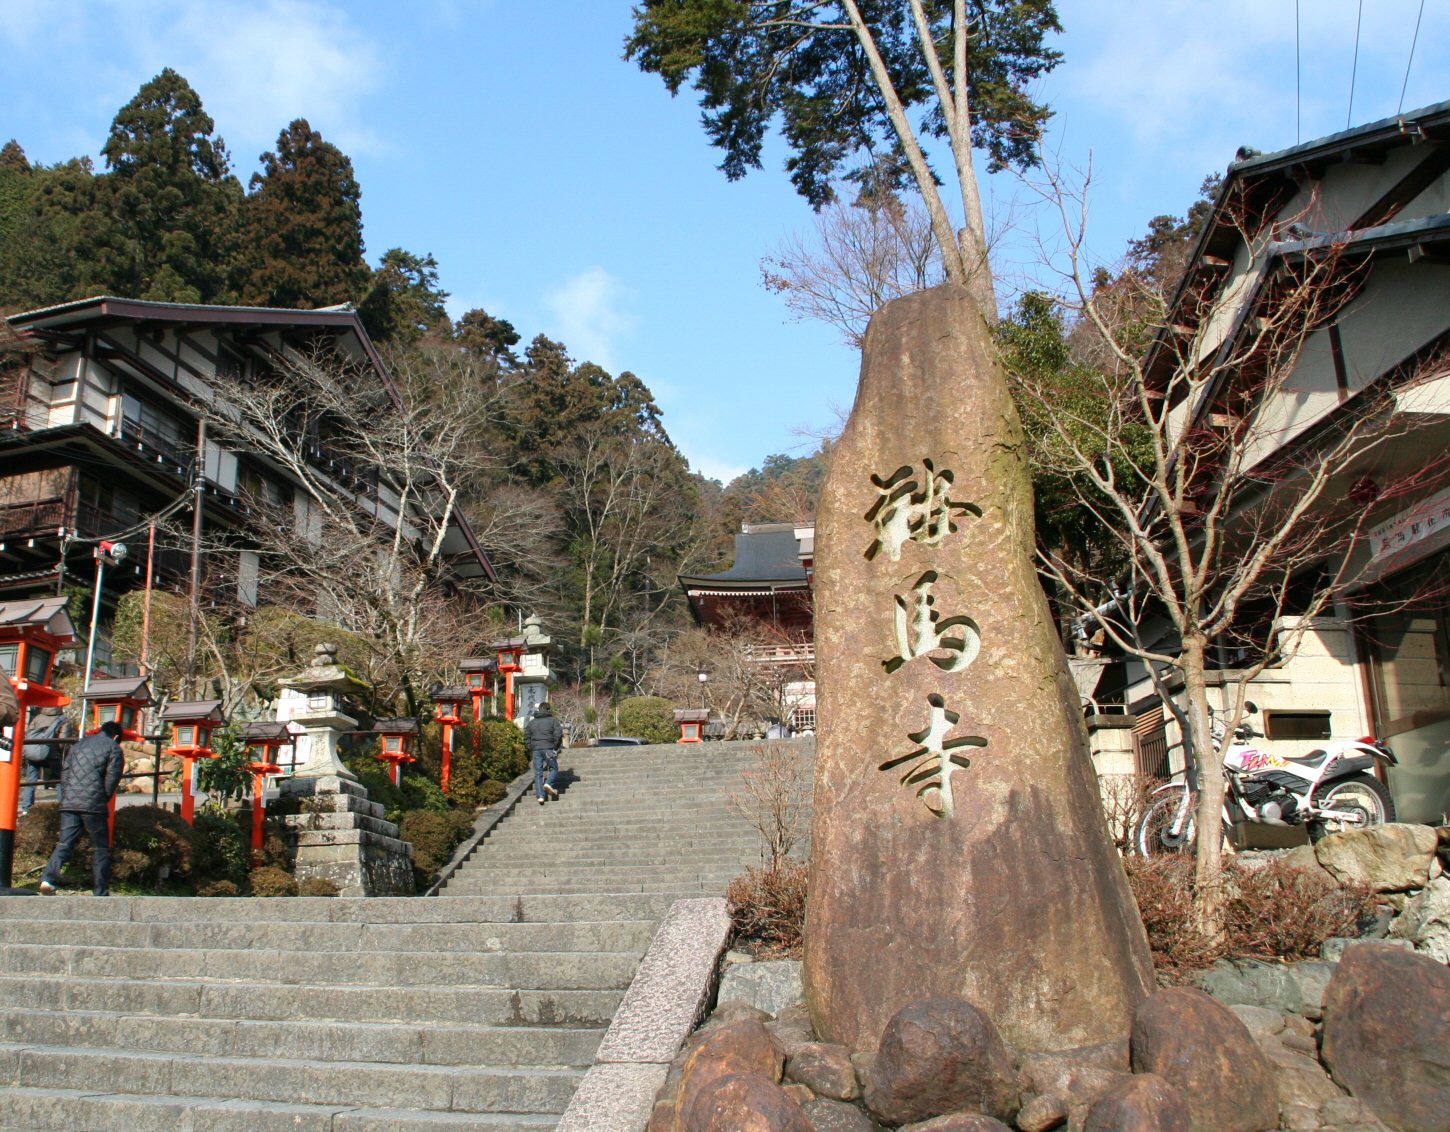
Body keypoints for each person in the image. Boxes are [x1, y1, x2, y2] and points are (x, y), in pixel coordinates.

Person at [39, 721, 125, 897]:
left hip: (70, 802)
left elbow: (66, 772)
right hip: (94, 805)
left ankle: (48, 879)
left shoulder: (79, 744)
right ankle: (100, 890)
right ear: (116, 737)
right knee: (101, 847)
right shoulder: (114, 748)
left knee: (65, 842)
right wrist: (102, 798)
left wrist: (68, 794)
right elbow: (112, 779)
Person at [20, 706, 75, 815]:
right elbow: (62, 741)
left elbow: (29, 733)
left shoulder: (38, 717)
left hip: (34, 752)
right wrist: (58, 752)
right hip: (52, 754)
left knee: (31, 780)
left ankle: (26, 808)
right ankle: (62, 806)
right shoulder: (63, 719)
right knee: (60, 778)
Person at [523, 702, 564, 805]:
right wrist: (555, 746)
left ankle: (540, 796)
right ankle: (548, 783)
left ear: (539, 709)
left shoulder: (532, 722)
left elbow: (526, 735)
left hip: (536, 749)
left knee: (538, 773)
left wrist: (530, 746)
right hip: (548, 748)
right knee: (554, 768)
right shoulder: (553, 721)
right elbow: (558, 734)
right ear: (548, 710)